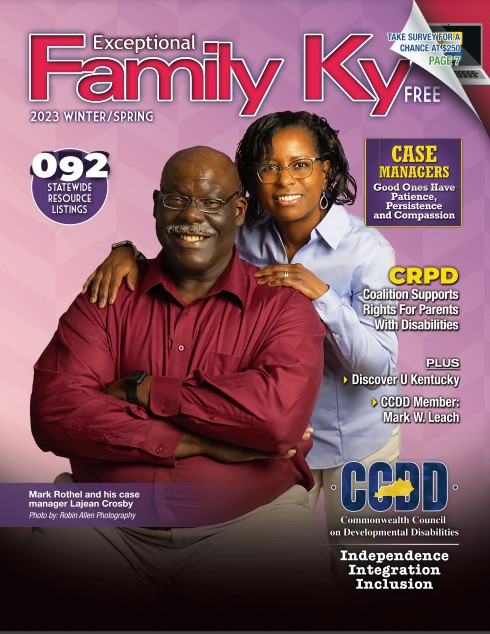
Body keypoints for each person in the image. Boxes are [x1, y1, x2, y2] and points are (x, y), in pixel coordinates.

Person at [20, 146, 330, 630]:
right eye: (176, 199)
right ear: (155, 205)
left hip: (252, 523)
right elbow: (56, 413)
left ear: (239, 210)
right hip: (101, 521)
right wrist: (205, 440)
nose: (191, 214)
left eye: (210, 202)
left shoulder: (282, 307)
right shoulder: (107, 294)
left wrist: (143, 390)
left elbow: (275, 420)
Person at [84, 111, 402, 552]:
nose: (284, 180)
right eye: (269, 167)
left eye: (300, 165)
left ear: (325, 170)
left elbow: (380, 365)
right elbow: (184, 235)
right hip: (271, 447)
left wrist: (322, 296)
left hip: (358, 440)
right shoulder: (244, 233)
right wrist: (125, 251)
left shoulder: (369, 251)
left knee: (362, 573)